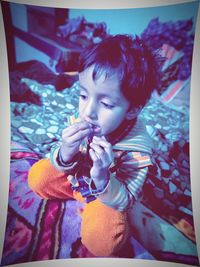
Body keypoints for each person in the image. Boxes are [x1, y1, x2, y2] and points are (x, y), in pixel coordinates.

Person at [28, 34, 162, 257]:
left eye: (106, 103)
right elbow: (59, 159)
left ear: (133, 109)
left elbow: (127, 199)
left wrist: (103, 178)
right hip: (75, 180)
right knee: (37, 178)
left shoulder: (137, 151)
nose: (88, 111)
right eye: (83, 95)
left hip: (105, 195)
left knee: (102, 242)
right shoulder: (85, 117)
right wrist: (65, 152)